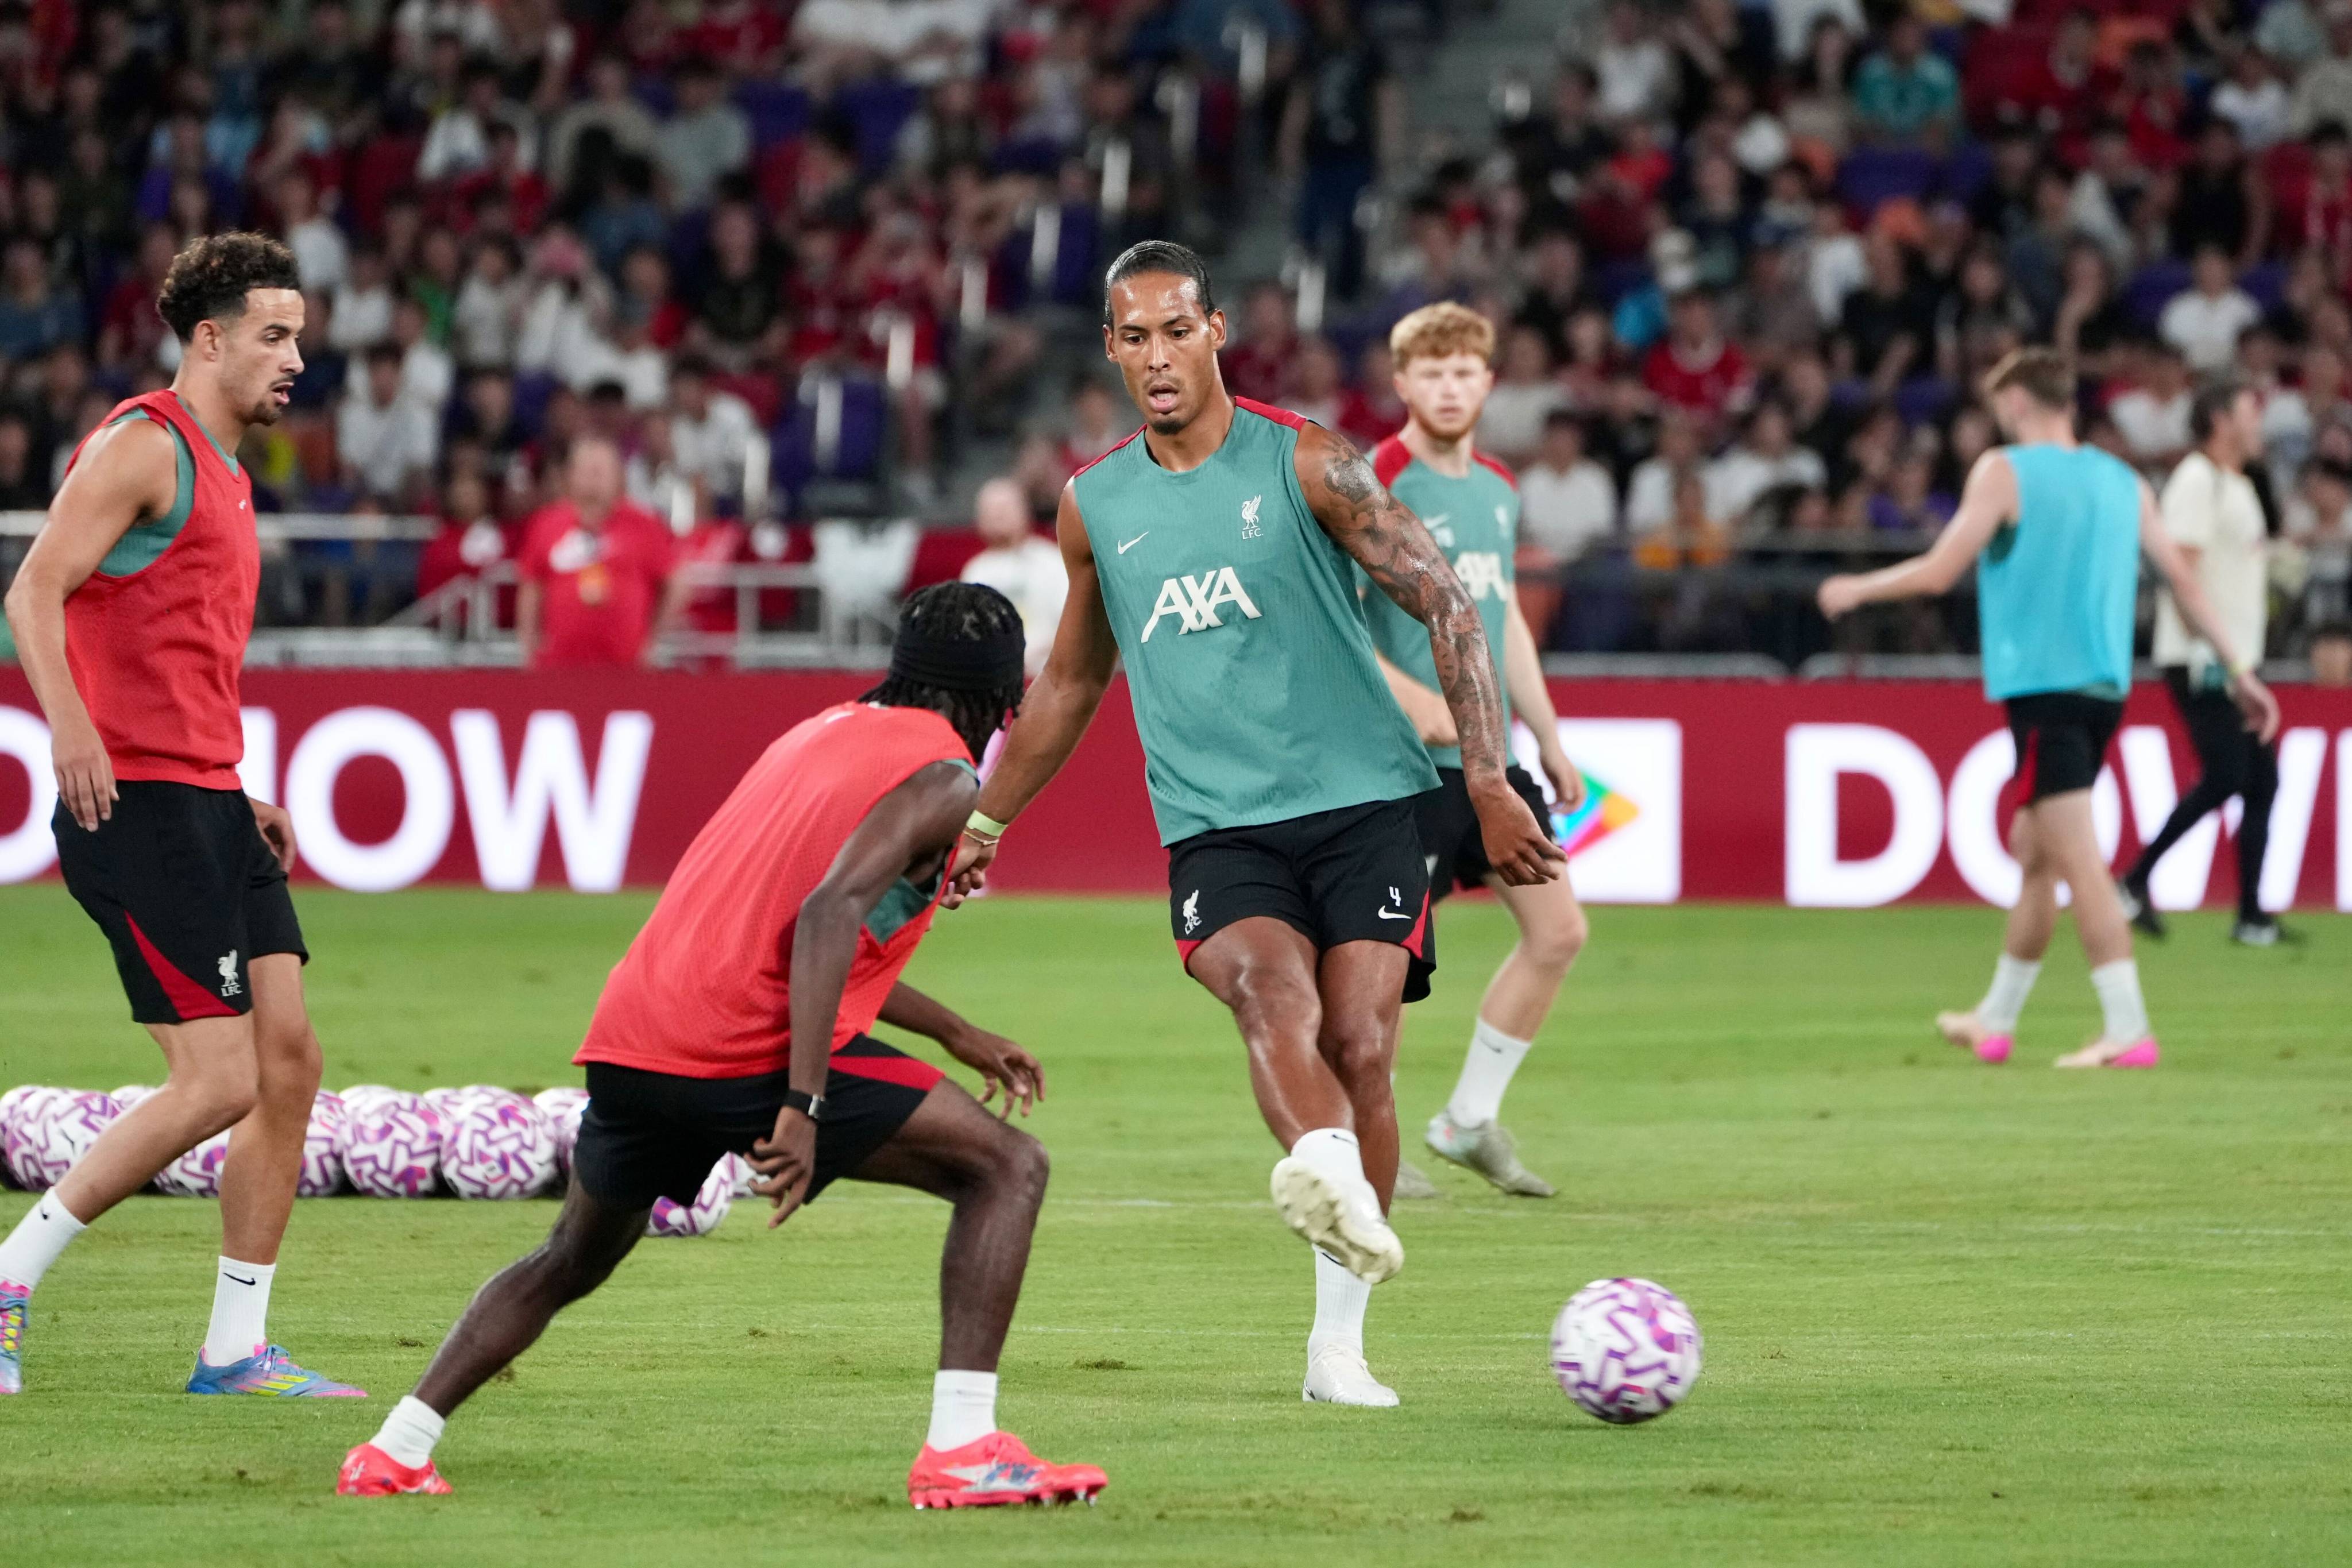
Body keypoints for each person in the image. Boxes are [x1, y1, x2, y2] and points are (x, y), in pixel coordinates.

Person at [338, 583, 1107, 1509]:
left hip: (635, 1037)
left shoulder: (819, 732)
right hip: (741, 1045)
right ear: (1001, 702)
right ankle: (962, 1449)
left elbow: (789, 923)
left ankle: (396, 1447)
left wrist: (953, 1032)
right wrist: (803, 1104)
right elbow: (827, 914)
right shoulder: (946, 778)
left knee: (572, 1257)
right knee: (1006, 1169)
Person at [951, 241, 1561, 1408]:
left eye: (1174, 329)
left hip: (1369, 803)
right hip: (1218, 825)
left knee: (1364, 1048)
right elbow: (1072, 685)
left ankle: (1338, 1343)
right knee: (1262, 995)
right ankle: (1324, 1164)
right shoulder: (1095, 503)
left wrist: (1485, 775)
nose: (1155, 356)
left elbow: (1447, 604)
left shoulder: (1312, 465)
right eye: (1131, 338)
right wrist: (984, 823)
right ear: (1113, 353)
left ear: (1216, 331)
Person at [0, 233, 363, 1399]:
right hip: (134, 804)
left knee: (290, 1060)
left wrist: (234, 782)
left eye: (299, 334)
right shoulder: (144, 444)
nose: (295, 357)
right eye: (274, 334)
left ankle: (234, 1348)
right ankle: (9, 1280)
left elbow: (174, 648)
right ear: (208, 340)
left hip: (206, 796)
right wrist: (70, 731)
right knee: (217, 1081)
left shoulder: (231, 467)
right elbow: (33, 589)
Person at [1818, 347, 2278, 1069]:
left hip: (2045, 694)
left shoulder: (2005, 471)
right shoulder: (2123, 481)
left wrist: (1857, 589)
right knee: (2035, 853)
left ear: (2020, 403)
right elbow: (2186, 587)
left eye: (2000, 403)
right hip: (2103, 691)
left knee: (2079, 859)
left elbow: (1941, 571)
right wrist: (2240, 668)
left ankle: (2127, 1028)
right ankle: (1995, 1020)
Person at [1355, 304, 1590, 1202]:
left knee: (1558, 928)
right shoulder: (1375, 476)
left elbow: (1502, 628)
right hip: (1396, 760)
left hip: (1486, 761)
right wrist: (1408, 693)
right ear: (1402, 383)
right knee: (1390, 961)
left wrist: (1551, 731)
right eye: (1433, 373)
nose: (1450, 387)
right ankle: (1364, 1139)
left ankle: (1466, 1118)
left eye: (1465, 373)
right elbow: (1332, 614)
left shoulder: (1497, 486)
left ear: (1488, 384)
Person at [2120, 380, 2294, 946]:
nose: (2259, 423)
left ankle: (2249, 915)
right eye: (2250, 411)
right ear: (2220, 419)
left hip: (2237, 659)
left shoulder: (2237, 485)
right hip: (2206, 660)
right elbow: (2181, 572)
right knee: (2229, 776)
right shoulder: (2197, 480)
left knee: (2260, 781)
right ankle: (2135, 881)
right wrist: (2213, 653)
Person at [516, 437, 690, 669]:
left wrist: (653, 640)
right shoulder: (547, 524)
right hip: (559, 668)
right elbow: (531, 589)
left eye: (599, 472)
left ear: (618, 477)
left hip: (627, 669)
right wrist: (528, 650)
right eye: (586, 471)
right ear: (571, 476)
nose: (593, 480)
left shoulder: (644, 525)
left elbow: (677, 585)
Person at [960, 476, 1068, 678]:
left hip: (1049, 679)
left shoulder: (1052, 561)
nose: (998, 516)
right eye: (991, 510)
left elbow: (1072, 624)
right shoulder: (976, 571)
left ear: (1025, 511)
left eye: (1005, 508)